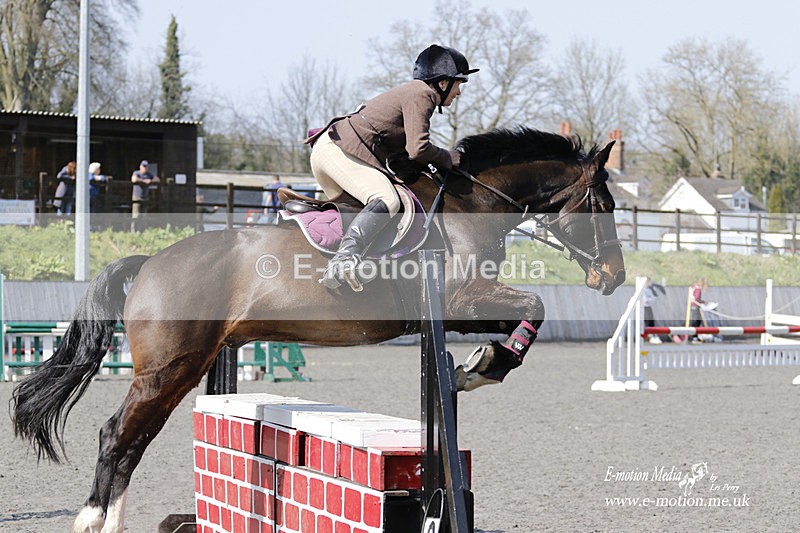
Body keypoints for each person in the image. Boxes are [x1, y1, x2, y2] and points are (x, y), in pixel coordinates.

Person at [305, 44, 478, 290]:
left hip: (333, 150)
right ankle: (343, 261)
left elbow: (404, 154)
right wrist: (449, 158)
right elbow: (418, 149)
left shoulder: (412, 93)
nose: (459, 92)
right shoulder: (422, 94)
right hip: (339, 151)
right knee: (387, 200)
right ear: (442, 83)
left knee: (365, 215)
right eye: (459, 84)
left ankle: (356, 274)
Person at [130, 160, 159, 230]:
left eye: (146, 167)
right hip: (137, 196)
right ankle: (134, 230)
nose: (145, 168)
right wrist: (143, 181)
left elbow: (157, 179)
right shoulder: (136, 173)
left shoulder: (149, 175)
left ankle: (142, 230)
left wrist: (150, 181)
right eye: (143, 166)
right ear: (140, 167)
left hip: (145, 197)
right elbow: (133, 179)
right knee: (136, 215)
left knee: (144, 215)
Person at [643, 277, 666, 343]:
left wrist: (652, 299)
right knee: (648, 322)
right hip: (645, 307)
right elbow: (645, 301)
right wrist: (652, 299)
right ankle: (650, 336)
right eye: (649, 282)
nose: (651, 283)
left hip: (649, 307)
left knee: (651, 322)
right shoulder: (643, 290)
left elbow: (653, 298)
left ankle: (653, 335)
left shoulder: (649, 290)